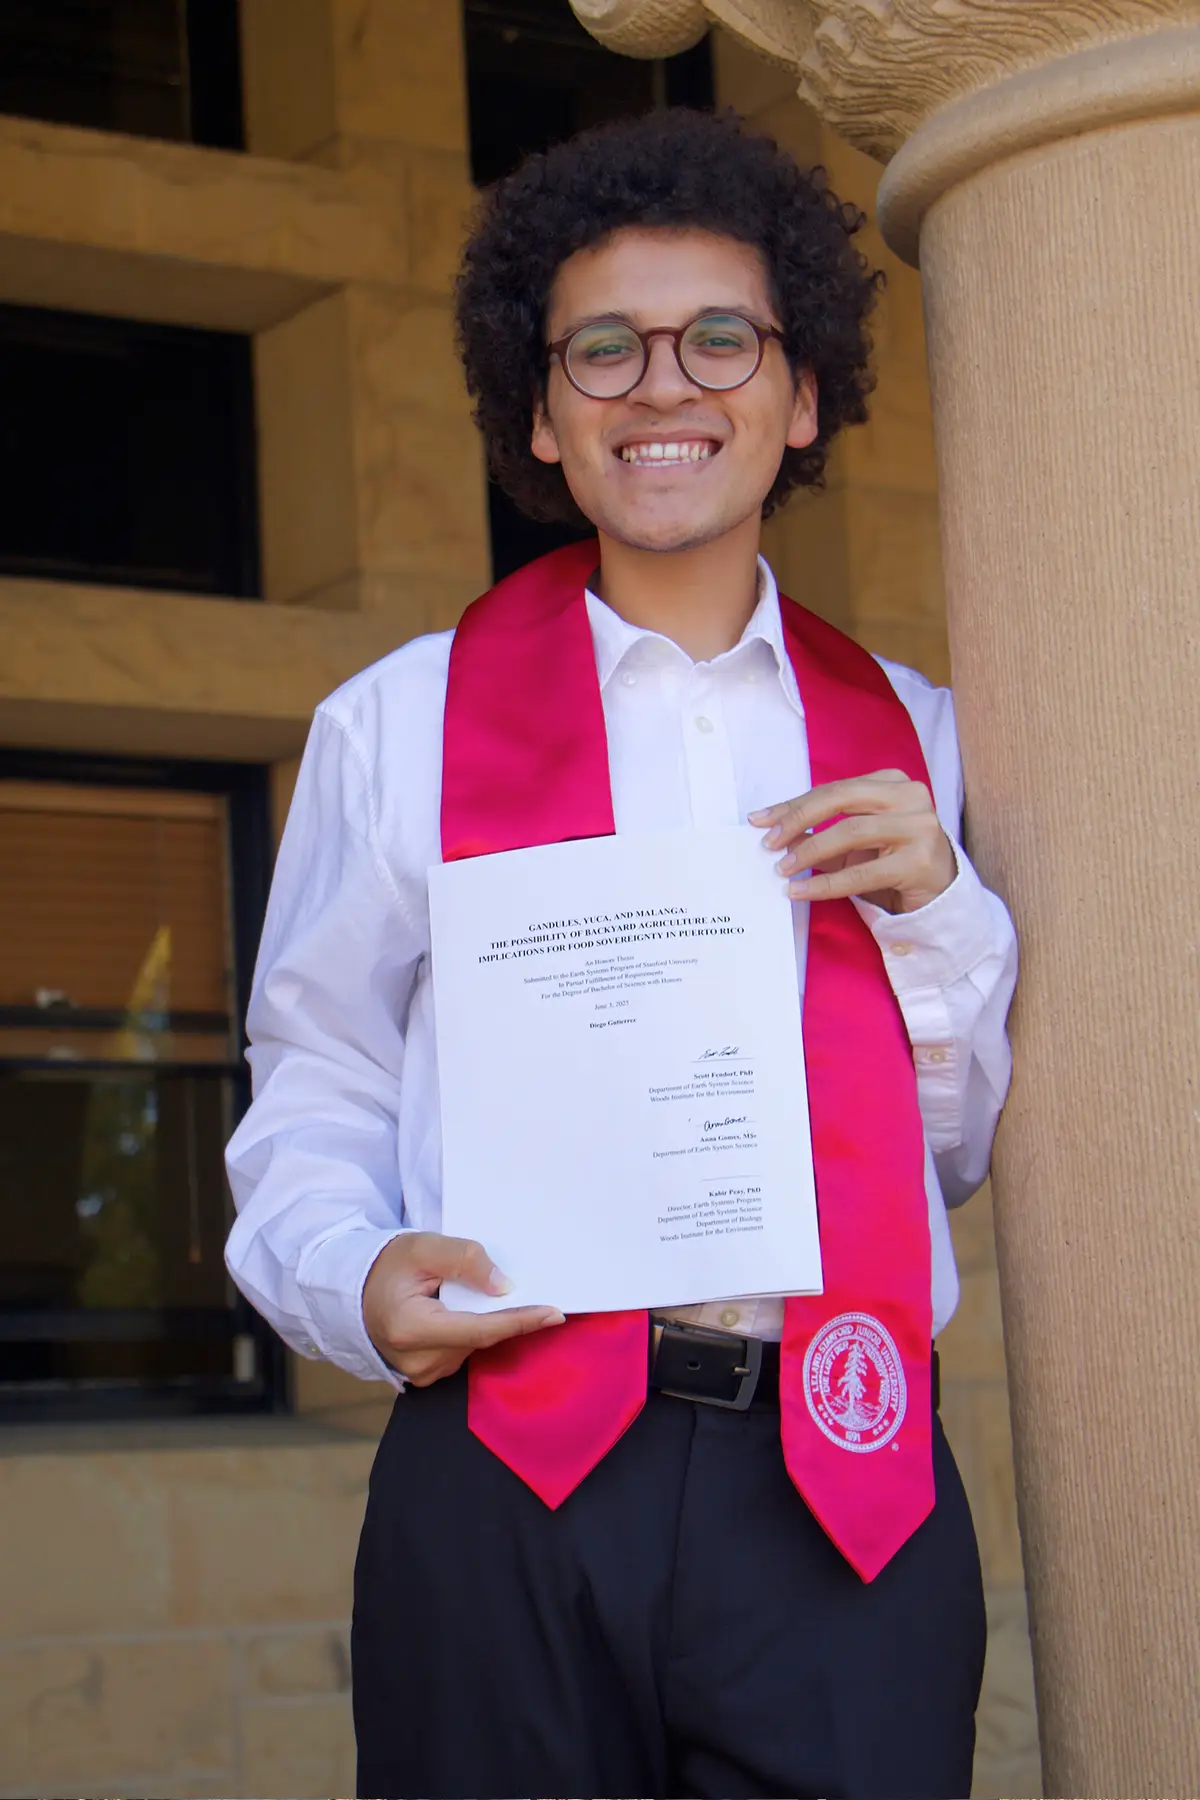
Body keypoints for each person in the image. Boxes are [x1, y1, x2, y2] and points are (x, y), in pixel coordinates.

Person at [225, 108, 1018, 1800]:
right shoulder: (399, 729)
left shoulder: (925, 747)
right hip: (506, 1472)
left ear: (800, 398)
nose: (665, 385)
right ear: (542, 410)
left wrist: (936, 913)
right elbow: (318, 1075)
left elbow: (945, 1156)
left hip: (836, 1470)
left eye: (719, 337)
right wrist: (352, 1280)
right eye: (605, 348)